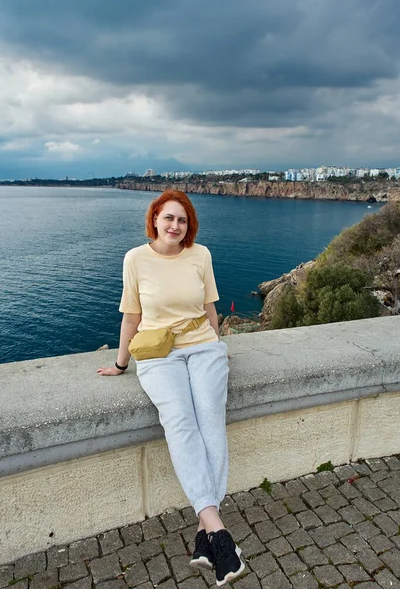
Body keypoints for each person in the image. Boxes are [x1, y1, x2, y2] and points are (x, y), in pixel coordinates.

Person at [97, 189, 245, 586]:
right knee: (179, 420)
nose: (175, 226)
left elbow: (210, 308)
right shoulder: (135, 259)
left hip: (203, 347)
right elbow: (132, 317)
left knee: (211, 420)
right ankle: (218, 530)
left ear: (189, 224)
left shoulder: (201, 255)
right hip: (158, 353)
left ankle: (205, 533)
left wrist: (216, 346)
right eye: (168, 218)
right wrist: (119, 363)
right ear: (155, 220)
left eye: (182, 220)